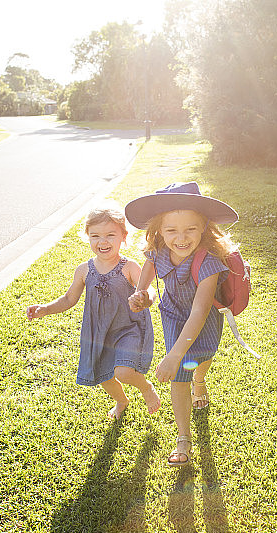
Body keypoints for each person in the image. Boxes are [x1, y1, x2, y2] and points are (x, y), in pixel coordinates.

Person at [126, 182, 239, 466]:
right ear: (159, 231)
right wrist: (142, 293)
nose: (181, 237)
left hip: (203, 321)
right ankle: (184, 439)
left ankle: (200, 380)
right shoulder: (158, 250)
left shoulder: (209, 262)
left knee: (202, 356)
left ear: (203, 227)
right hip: (174, 317)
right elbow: (150, 270)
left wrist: (174, 355)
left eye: (190, 228)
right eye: (171, 230)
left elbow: (200, 312)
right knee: (179, 377)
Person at [26, 204, 161, 420]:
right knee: (104, 376)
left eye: (110, 235)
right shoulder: (84, 270)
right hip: (99, 333)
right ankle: (121, 401)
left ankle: (146, 388)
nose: (103, 241)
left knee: (123, 372)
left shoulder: (128, 267)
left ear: (123, 237)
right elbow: (69, 298)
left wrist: (146, 297)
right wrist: (45, 309)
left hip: (128, 329)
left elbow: (149, 288)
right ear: (88, 237)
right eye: (96, 236)